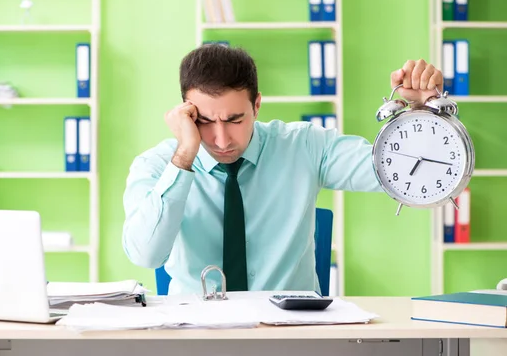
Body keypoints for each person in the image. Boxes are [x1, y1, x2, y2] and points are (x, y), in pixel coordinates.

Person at [122, 44, 444, 295]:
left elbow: (409, 175)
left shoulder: (303, 146)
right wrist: (185, 156)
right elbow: (146, 256)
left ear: (257, 105)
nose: (221, 140)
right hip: (197, 340)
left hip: (291, 338)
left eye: (235, 120)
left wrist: (422, 112)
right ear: (186, 114)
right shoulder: (158, 166)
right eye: (205, 122)